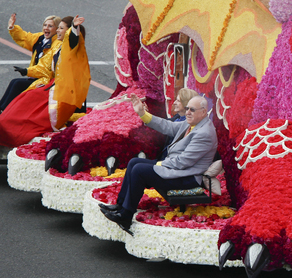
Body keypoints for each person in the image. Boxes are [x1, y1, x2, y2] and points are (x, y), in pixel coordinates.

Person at [100, 94, 218, 234]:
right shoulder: (193, 123)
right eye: (187, 108)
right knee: (134, 162)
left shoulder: (205, 133)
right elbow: (168, 126)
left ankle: (126, 215)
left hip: (187, 178)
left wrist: (159, 165)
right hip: (176, 169)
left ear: (203, 112)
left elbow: (183, 162)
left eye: (192, 109)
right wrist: (143, 114)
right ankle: (120, 205)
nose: (187, 112)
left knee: (139, 170)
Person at [0, 16, 91, 148]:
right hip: (53, 85)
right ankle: (5, 123)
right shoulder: (56, 48)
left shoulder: (72, 46)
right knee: (26, 96)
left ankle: (14, 132)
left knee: (31, 102)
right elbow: (45, 69)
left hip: (64, 93)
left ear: (67, 31)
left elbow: (74, 39)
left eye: (60, 28)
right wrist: (27, 71)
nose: (57, 30)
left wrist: (75, 27)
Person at [0, 14, 60, 111]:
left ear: (57, 29)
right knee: (14, 82)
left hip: (46, 80)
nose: (46, 28)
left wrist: (27, 71)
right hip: (36, 76)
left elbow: (45, 68)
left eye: (50, 26)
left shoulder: (56, 44)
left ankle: (4, 110)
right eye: (45, 25)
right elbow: (25, 38)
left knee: (17, 84)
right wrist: (12, 28)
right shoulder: (41, 38)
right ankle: (2, 109)